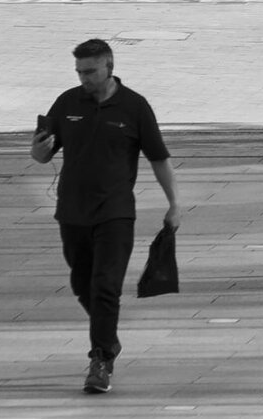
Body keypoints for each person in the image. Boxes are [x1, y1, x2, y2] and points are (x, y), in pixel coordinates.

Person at [30, 39, 181, 395]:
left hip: (115, 213)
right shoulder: (67, 103)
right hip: (71, 211)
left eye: (91, 71)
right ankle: (109, 338)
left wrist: (174, 203)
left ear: (109, 67)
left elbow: (158, 157)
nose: (84, 78)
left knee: (105, 287)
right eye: (80, 72)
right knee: (82, 285)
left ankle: (100, 361)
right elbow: (41, 154)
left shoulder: (134, 107)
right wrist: (38, 151)